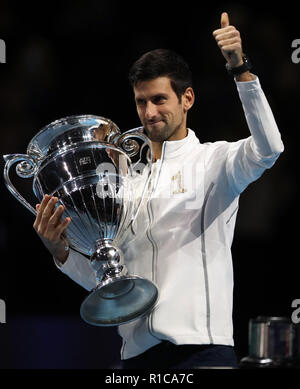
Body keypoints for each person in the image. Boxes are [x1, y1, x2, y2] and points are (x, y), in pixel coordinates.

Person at [33, 12, 284, 368]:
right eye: (141, 102)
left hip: (202, 352)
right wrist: (61, 252)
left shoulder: (215, 161)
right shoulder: (126, 185)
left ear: (188, 99)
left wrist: (240, 69)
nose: (149, 112)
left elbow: (269, 148)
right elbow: (106, 278)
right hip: (137, 358)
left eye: (160, 99)